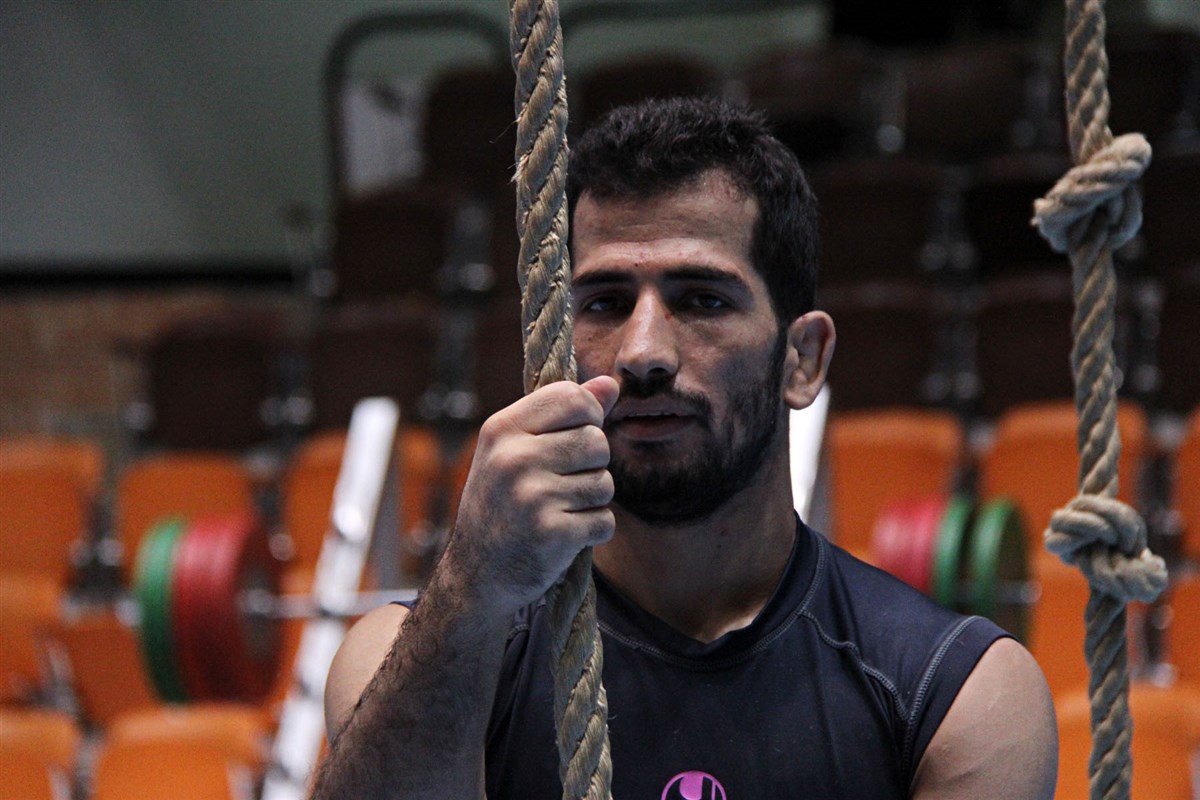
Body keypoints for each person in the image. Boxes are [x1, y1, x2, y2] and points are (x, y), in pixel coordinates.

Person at [313, 96, 1057, 799]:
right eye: (605, 303)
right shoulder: (412, 660)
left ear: (802, 360)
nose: (642, 352)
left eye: (703, 299)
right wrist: (471, 582)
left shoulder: (956, 696)